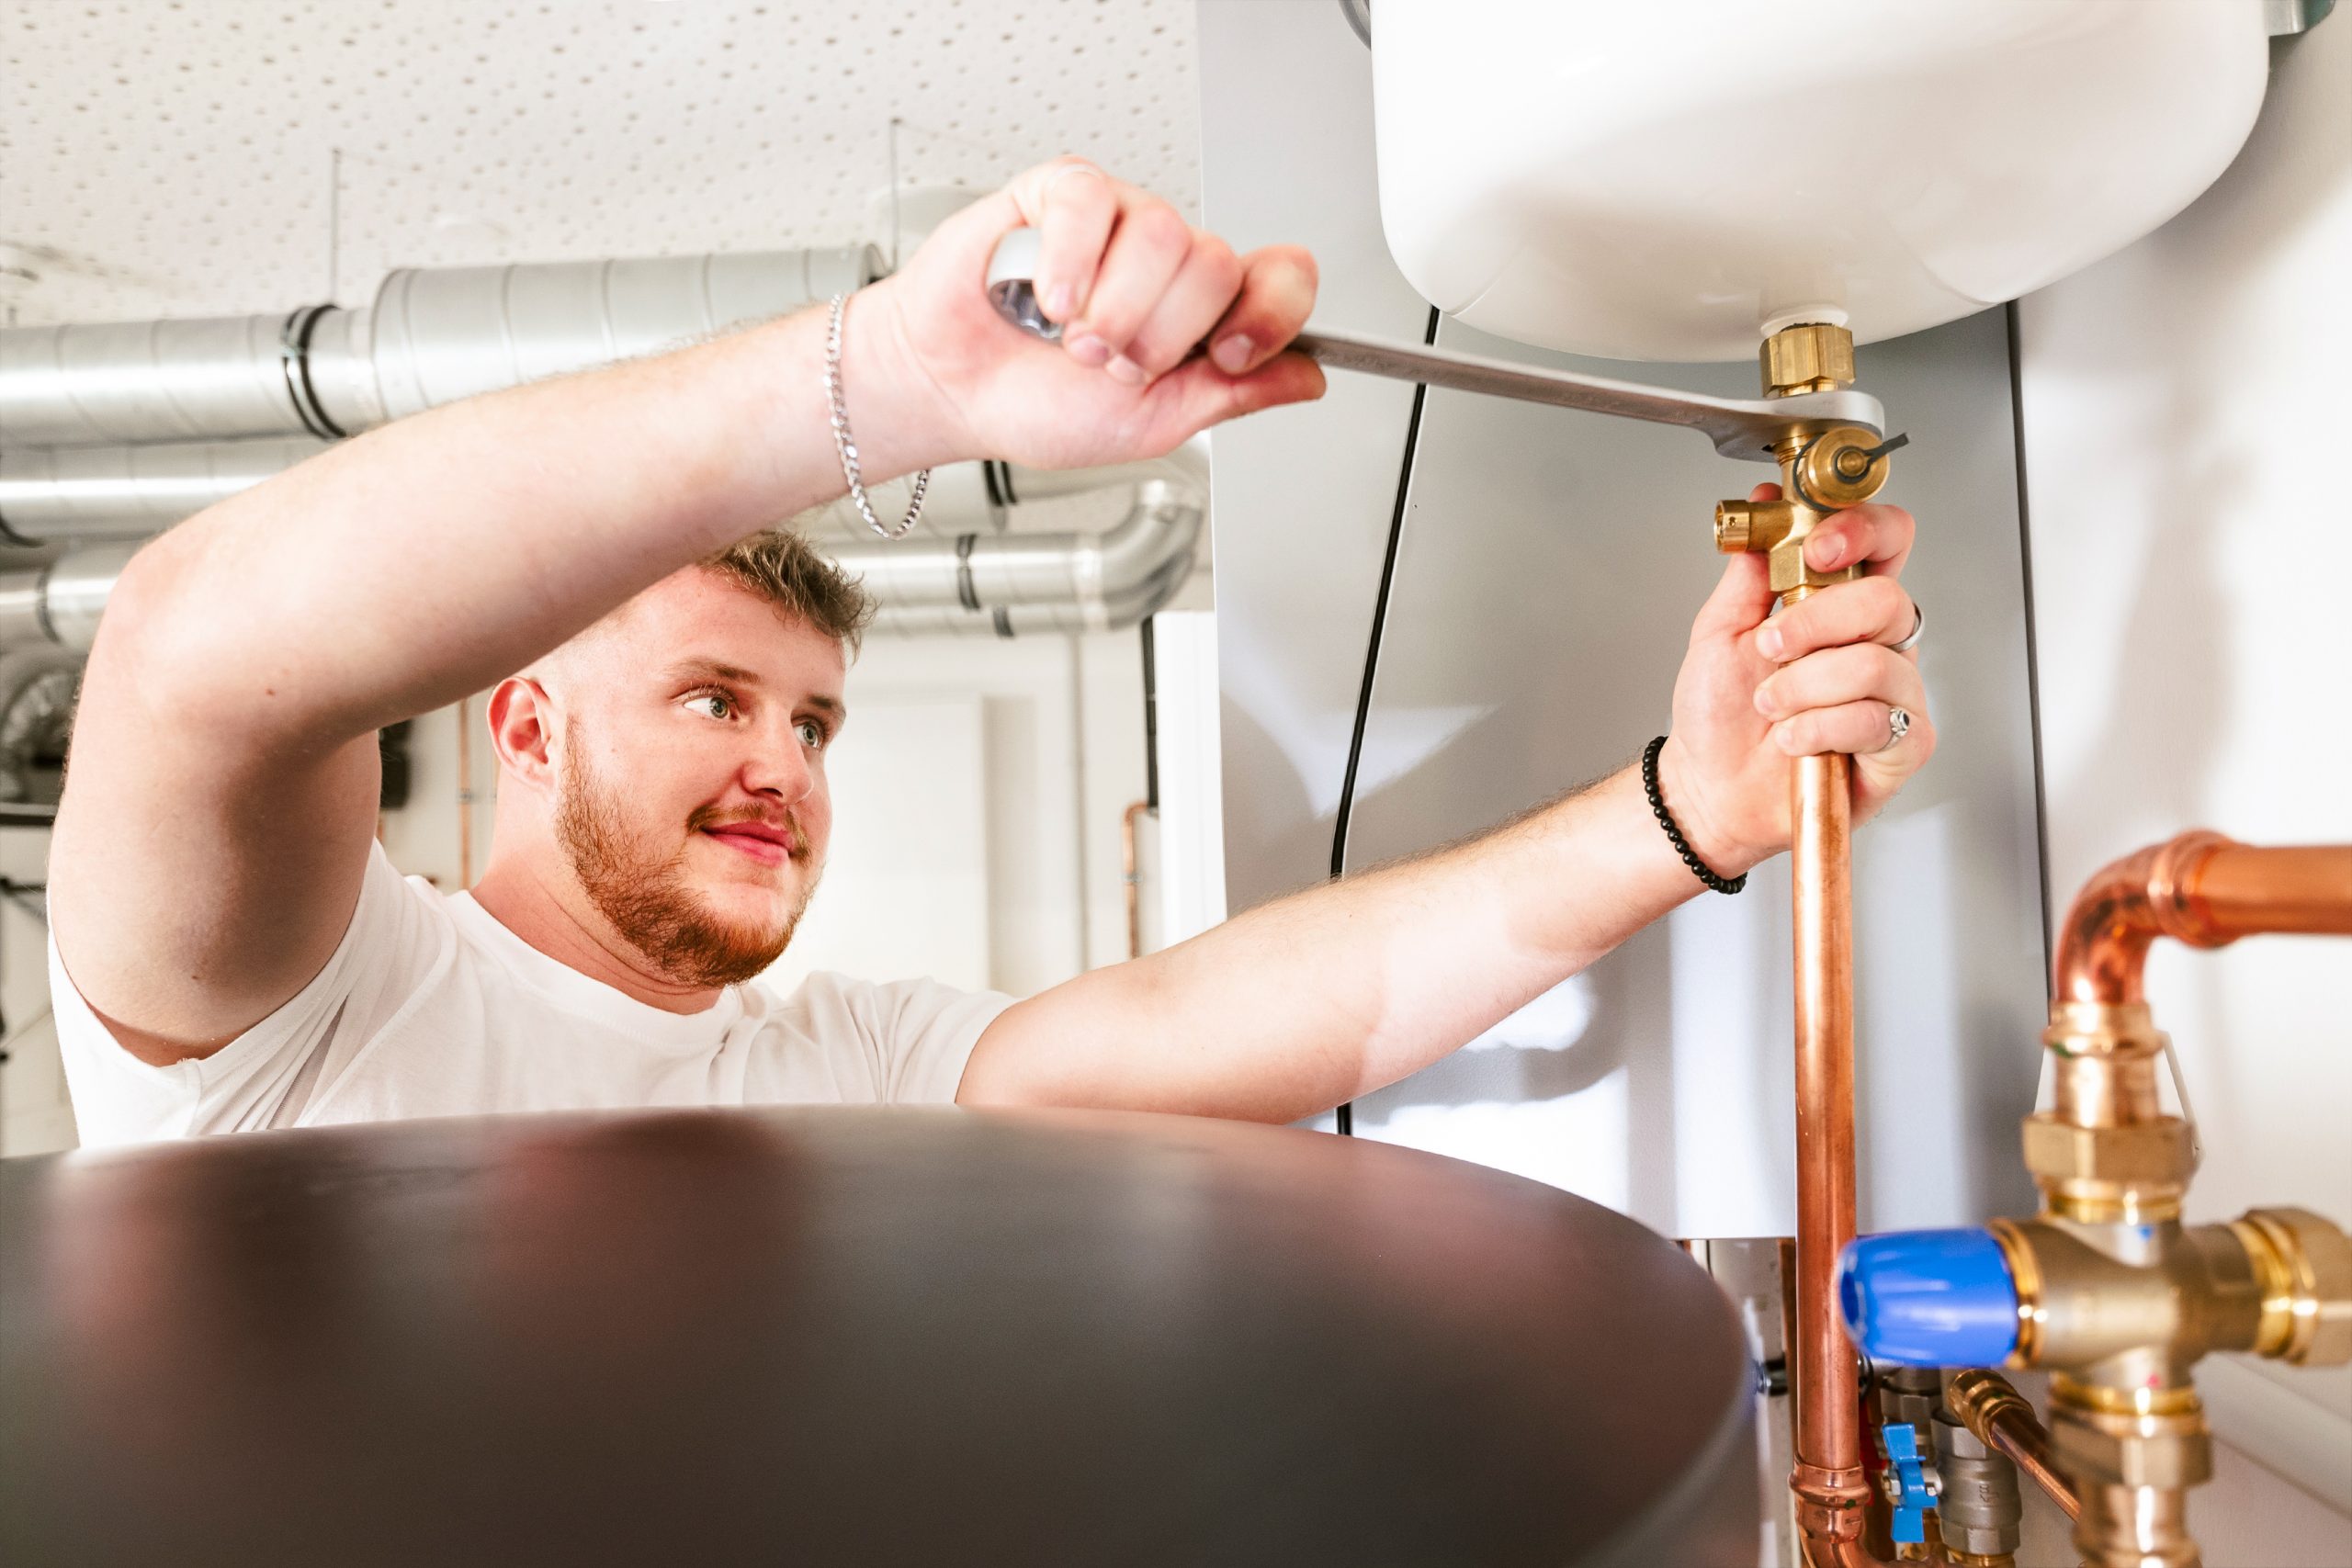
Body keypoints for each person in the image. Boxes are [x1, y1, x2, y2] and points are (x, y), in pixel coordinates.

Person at [48, 159, 1934, 1144]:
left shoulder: (840, 1063)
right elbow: (189, 655)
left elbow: (1204, 1024)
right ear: (523, 716)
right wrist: (893, 378)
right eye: (714, 696)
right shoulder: (312, 1000)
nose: (782, 763)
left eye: (809, 718)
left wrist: (1687, 810)